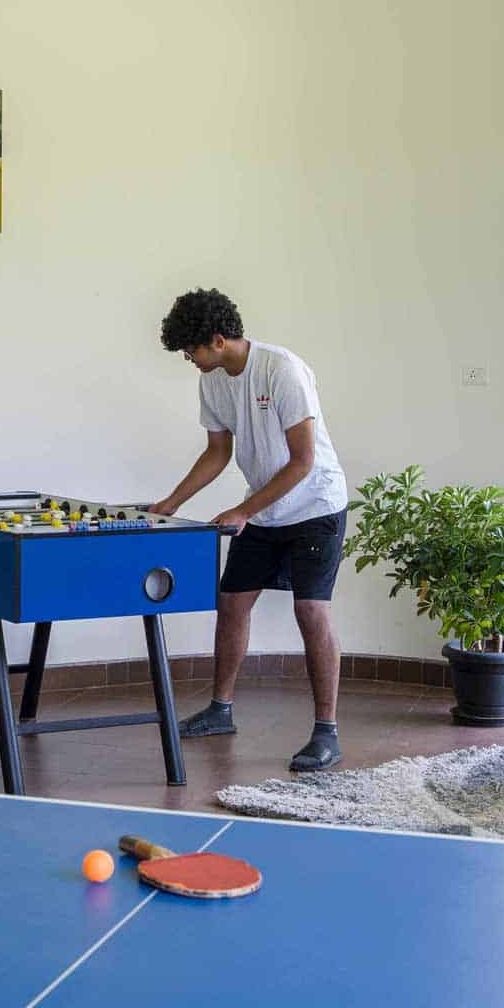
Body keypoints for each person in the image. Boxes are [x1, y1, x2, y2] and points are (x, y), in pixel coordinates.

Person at [148, 288, 351, 773]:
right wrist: (171, 504)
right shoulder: (212, 381)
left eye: (191, 350)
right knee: (232, 602)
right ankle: (220, 710)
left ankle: (327, 732)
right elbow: (217, 452)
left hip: (316, 505)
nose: (189, 359)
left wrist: (241, 510)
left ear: (218, 340)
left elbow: (302, 461)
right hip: (264, 510)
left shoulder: (282, 370)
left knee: (311, 611)